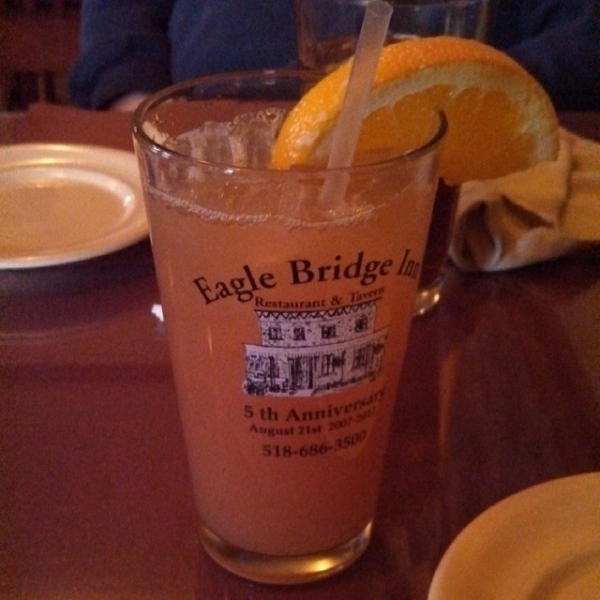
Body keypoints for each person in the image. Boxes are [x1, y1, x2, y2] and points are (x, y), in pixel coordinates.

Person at [69, 0, 600, 112]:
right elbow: (120, 13)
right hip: (195, 160)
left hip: (442, 194)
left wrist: (469, 93)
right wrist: (131, 100)